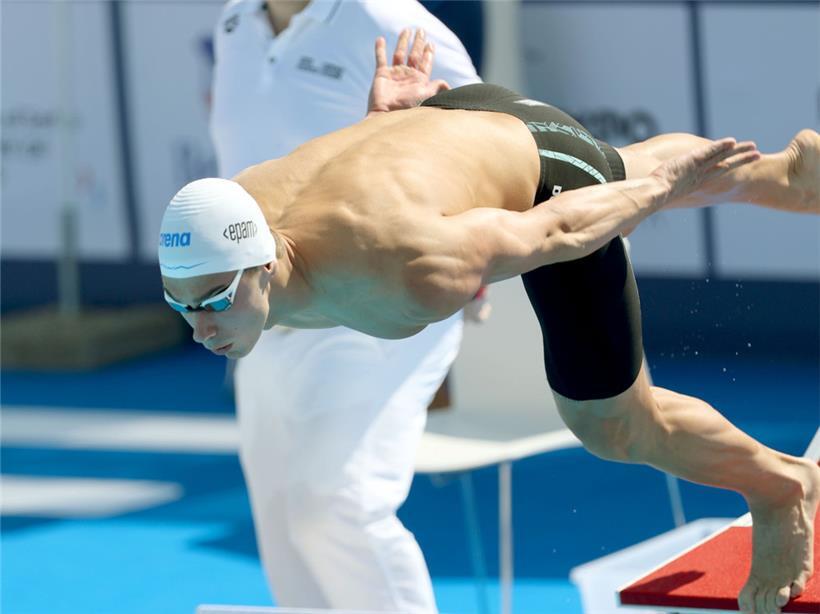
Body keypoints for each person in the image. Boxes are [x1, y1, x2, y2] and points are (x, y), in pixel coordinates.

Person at [160, 31, 820, 614]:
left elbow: (558, 226)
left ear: (266, 264)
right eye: (180, 303)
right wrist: (380, 123)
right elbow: (348, 171)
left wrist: (659, 192)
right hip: (445, 120)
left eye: (215, 301)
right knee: (629, 163)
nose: (200, 328)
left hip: (542, 184)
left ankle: (778, 485)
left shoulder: (407, 266)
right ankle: (790, 176)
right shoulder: (242, 203)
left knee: (614, 423)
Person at [207, 1, 482, 611]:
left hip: (372, 306)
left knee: (335, 504)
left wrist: (471, 250)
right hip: (263, 311)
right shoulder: (233, 22)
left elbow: (500, 143)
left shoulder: (393, 23)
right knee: (281, 517)